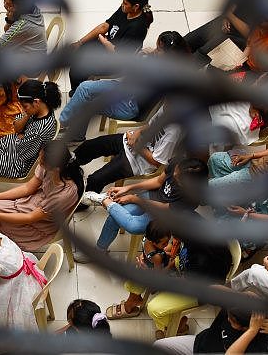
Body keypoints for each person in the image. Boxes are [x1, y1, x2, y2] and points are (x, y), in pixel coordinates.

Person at [59, 31, 189, 143]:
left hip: (130, 105)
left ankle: (70, 130)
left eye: (159, 50)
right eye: (157, 47)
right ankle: (65, 124)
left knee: (87, 102)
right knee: (84, 88)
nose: (155, 51)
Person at [74, 158, 207, 263]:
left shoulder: (193, 197)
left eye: (177, 178)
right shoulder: (178, 163)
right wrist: (128, 188)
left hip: (162, 214)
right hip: (150, 196)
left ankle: (103, 200)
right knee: (114, 217)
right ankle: (100, 251)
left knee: (133, 226)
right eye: (175, 172)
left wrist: (134, 199)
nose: (174, 175)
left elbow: (166, 209)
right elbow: (159, 181)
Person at [0, 140, 83, 251]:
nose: (39, 162)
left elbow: (31, 217)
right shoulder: (52, 167)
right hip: (31, 204)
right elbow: (28, 188)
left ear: (55, 168)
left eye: (42, 161)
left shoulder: (64, 194)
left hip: (38, 224)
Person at [73, 97, 181, 197]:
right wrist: (137, 132)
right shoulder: (166, 108)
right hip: (129, 141)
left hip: (137, 162)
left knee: (95, 179)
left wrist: (136, 146)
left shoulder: (174, 132)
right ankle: (70, 168)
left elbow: (156, 162)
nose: (165, 104)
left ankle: (82, 201)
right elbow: (150, 124)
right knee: (88, 147)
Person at [68, 0, 153, 95]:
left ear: (136, 6)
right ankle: (79, 85)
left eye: (125, 3)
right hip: (106, 44)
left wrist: (102, 39)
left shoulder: (137, 29)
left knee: (78, 67)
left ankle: (79, 91)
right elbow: (105, 26)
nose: (122, 5)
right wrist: (79, 43)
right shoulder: (126, 10)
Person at [105, 221, 172, 319]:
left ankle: (133, 300)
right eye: (164, 243)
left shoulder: (145, 239)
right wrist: (170, 265)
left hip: (145, 267)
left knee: (136, 281)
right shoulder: (157, 257)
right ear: (153, 241)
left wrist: (164, 251)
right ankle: (130, 304)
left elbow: (152, 252)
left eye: (168, 242)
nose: (166, 244)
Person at [153, 309, 268, 354]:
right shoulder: (234, 312)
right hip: (198, 344)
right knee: (159, 346)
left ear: (245, 328)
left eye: (232, 321)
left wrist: (252, 331)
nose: (228, 319)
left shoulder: (259, 344)